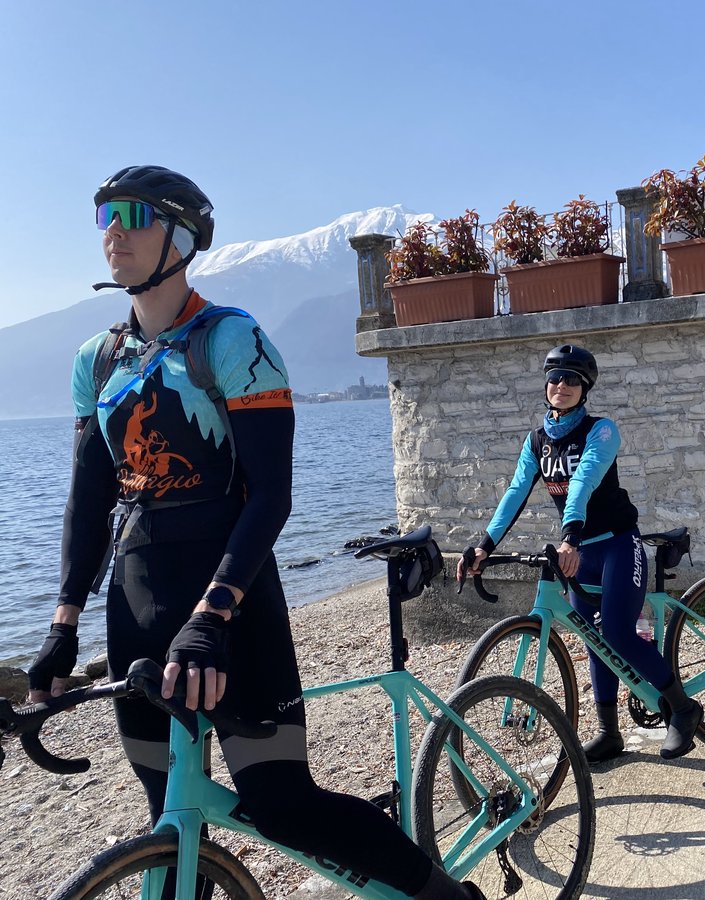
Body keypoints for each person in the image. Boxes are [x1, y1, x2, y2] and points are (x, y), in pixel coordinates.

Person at [26, 165, 481, 899]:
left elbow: (271, 496)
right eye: (103, 214)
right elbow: (87, 505)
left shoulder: (235, 340)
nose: (114, 230)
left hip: (232, 608)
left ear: (181, 236)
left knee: (284, 807)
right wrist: (62, 622)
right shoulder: (97, 359)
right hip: (137, 606)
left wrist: (214, 613)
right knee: (171, 825)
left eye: (134, 214)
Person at [459, 344, 703, 762]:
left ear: (585, 387)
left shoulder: (601, 430)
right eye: (555, 378)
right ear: (546, 385)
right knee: (593, 641)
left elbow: (584, 481)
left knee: (619, 634)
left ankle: (683, 708)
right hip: (580, 552)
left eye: (573, 379)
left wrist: (569, 535)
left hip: (616, 544)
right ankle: (609, 733)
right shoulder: (536, 441)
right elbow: (516, 493)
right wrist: (484, 546)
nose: (562, 386)